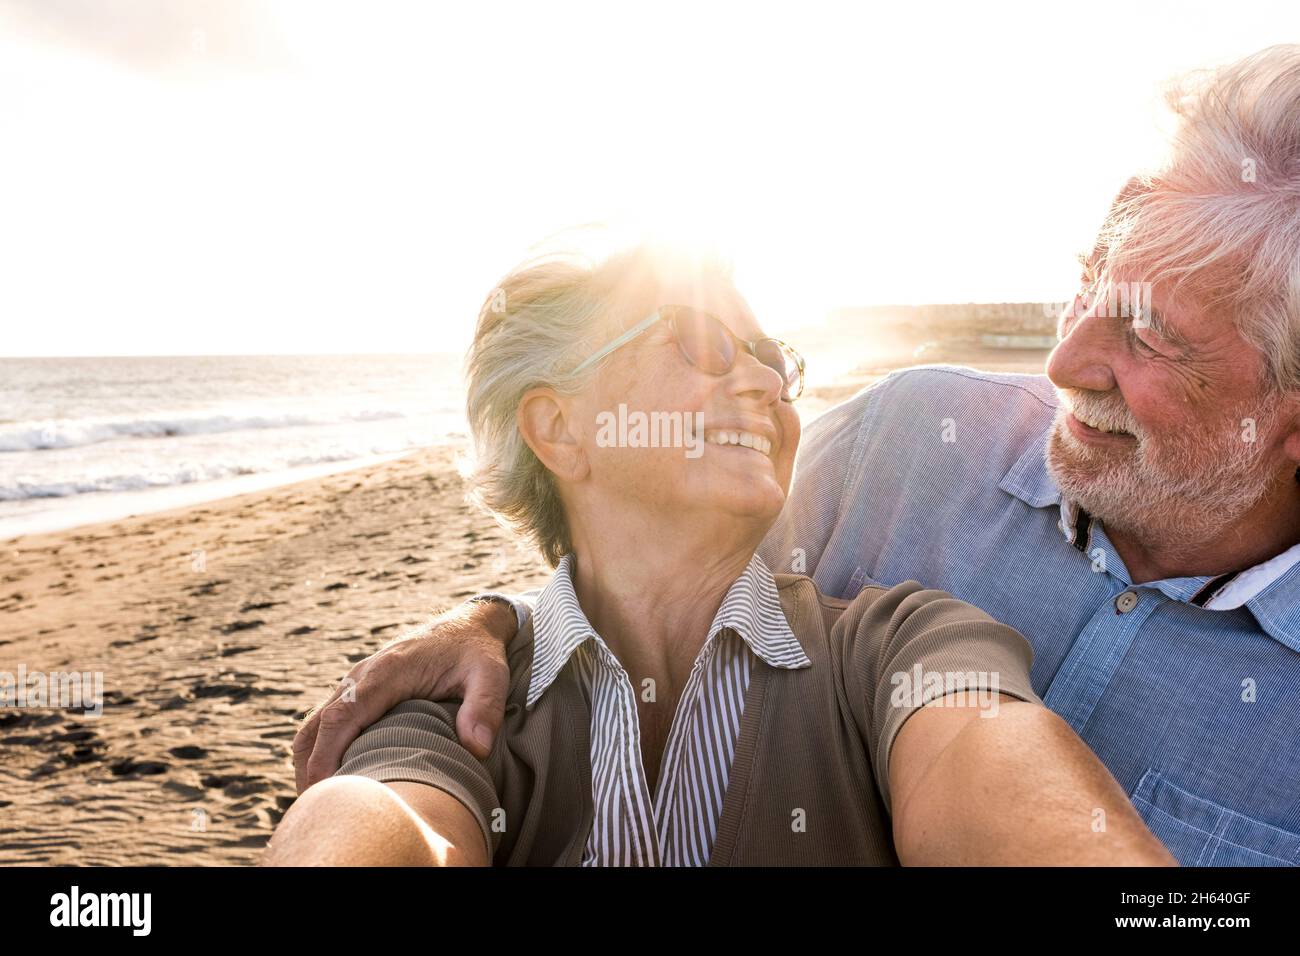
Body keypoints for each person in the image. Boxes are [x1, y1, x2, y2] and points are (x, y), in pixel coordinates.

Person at [295, 45, 1300, 867]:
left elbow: (966, 744)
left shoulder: (904, 644)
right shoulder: (905, 448)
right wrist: (496, 619)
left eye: (1149, 339)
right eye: (1085, 290)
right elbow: (657, 586)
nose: (1063, 359)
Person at [264, 243, 1173, 865]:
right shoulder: (460, 704)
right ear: (558, 428)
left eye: (771, 356)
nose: (765, 380)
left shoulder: (901, 643)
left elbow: (991, 777)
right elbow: (386, 822)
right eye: (698, 345)